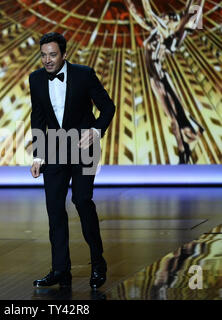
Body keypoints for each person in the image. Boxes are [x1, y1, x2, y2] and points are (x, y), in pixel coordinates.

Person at [29, 32, 115, 289]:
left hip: (84, 148)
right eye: (43, 55)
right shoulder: (35, 79)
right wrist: (38, 154)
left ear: (64, 54)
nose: (47, 60)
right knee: (54, 209)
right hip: (53, 148)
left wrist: (96, 131)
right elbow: (38, 117)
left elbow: (108, 107)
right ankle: (59, 270)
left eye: (52, 54)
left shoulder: (84, 74)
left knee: (82, 200)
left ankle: (97, 261)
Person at [125, 0, 205, 164]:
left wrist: (145, 3)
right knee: (172, 118)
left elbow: (151, 14)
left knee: (175, 117)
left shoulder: (165, 31)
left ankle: (183, 151)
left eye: (169, 17)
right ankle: (184, 150)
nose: (165, 17)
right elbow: (142, 18)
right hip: (154, 81)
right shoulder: (156, 30)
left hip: (161, 79)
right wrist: (130, 5)